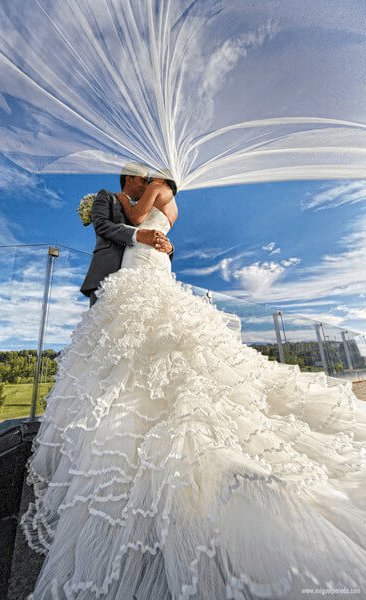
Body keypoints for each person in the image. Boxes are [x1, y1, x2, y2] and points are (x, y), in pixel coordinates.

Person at [22, 174, 366, 599]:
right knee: (129, 345)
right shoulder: (131, 200)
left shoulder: (141, 193)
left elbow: (141, 222)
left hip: (145, 264)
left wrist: (150, 231)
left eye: (141, 175)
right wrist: (153, 237)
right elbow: (128, 229)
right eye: (135, 175)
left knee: (151, 341)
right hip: (136, 265)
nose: (138, 178)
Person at [80, 163, 173, 306]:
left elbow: (155, 229)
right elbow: (102, 225)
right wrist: (137, 234)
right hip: (108, 273)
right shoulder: (107, 197)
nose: (147, 186)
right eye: (143, 180)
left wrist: (169, 248)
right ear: (129, 179)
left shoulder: (148, 205)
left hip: (139, 271)